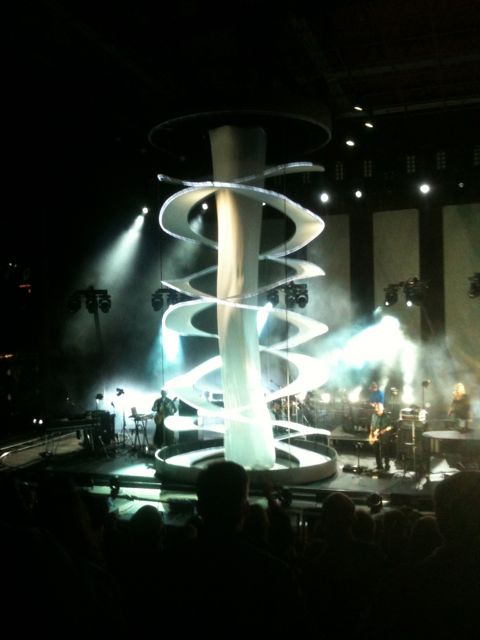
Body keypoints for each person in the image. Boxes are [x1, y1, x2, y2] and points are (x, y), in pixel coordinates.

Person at [368, 402, 394, 471]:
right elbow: (372, 424)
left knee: (385, 451)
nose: (376, 409)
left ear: (382, 408)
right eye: (376, 407)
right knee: (376, 451)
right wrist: (371, 433)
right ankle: (379, 465)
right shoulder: (373, 415)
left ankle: (387, 465)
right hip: (375, 435)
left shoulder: (387, 416)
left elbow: (391, 426)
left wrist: (384, 430)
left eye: (378, 407)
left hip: (384, 436)